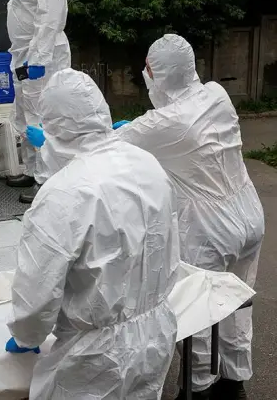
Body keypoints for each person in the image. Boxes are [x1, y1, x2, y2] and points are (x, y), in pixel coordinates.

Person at [6, 69, 180, 399]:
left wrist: (26, 335)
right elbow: (167, 241)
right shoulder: (147, 163)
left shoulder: (62, 194)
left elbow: (37, 288)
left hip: (94, 357)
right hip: (155, 333)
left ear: (53, 127)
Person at [115, 34, 264, 400]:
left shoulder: (164, 122)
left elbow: (103, 144)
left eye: (149, 70)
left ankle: (198, 388)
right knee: (236, 304)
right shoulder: (217, 94)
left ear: (160, 74)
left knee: (198, 310)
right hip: (250, 215)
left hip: (209, 228)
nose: (146, 77)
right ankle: (234, 384)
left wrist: (51, 142)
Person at [0, 0, 71, 203]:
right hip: (27, 53)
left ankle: (47, 179)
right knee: (26, 115)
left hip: (41, 55)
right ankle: (32, 170)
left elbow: (49, 13)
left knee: (42, 117)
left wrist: (39, 58)